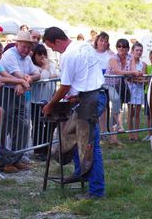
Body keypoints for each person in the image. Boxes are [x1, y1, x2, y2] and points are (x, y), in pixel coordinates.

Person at [42, 26, 107, 199]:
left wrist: (50, 104)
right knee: (75, 138)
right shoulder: (83, 45)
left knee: (90, 145)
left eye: (52, 46)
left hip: (90, 100)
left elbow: (64, 87)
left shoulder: (69, 55)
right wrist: (76, 94)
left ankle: (96, 191)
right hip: (91, 96)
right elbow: (83, 77)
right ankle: (80, 172)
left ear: (57, 41)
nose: (53, 50)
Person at [0, 31, 41, 172]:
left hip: (19, 94)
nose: (27, 50)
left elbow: (37, 74)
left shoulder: (27, 58)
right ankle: (3, 161)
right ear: (17, 44)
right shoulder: (10, 55)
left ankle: (15, 158)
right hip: (6, 94)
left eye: (29, 47)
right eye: (24, 47)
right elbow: (18, 74)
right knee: (4, 127)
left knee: (23, 126)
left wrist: (26, 80)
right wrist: (23, 80)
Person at [105, 39, 142, 142]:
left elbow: (134, 69)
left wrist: (135, 73)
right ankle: (116, 129)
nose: (121, 48)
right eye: (119, 46)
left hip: (122, 84)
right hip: (109, 84)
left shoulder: (130, 58)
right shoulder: (113, 58)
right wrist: (134, 73)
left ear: (127, 49)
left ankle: (113, 133)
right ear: (117, 48)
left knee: (118, 107)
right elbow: (118, 71)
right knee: (116, 101)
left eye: (124, 47)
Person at [31, 43, 59, 160]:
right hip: (36, 101)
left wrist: (48, 70)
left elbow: (57, 74)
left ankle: (47, 146)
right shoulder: (33, 67)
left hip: (49, 100)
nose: (42, 57)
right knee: (38, 125)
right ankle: (38, 149)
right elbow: (43, 77)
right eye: (39, 54)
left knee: (50, 124)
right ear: (34, 56)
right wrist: (46, 68)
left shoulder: (49, 65)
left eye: (44, 54)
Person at [126, 42, 146, 141]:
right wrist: (137, 78)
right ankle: (130, 133)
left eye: (140, 50)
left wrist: (138, 78)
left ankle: (136, 133)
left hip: (139, 90)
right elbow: (129, 78)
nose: (139, 52)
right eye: (137, 50)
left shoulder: (143, 64)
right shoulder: (129, 62)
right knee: (130, 112)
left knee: (137, 113)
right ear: (133, 51)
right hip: (130, 89)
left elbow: (144, 78)